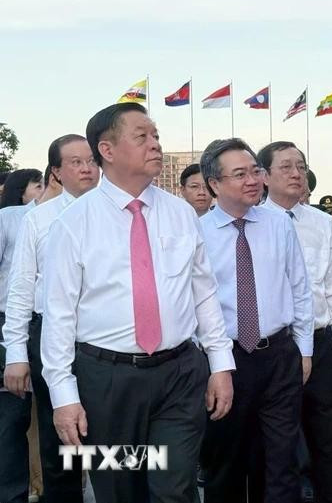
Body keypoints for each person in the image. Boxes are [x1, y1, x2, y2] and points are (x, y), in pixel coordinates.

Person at [41, 102, 235, 503]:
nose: (155, 145)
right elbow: (58, 315)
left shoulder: (181, 214)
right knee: (120, 490)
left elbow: (204, 293)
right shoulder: (73, 225)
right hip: (108, 383)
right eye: (142, 136)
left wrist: (220, 365)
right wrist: (64, 397)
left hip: (179, 376)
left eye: (157, 136)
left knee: (174, 487)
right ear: (107, 150)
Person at [198, 138, 313, 503]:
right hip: (225, 361)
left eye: (255, 171)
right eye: (239, 174)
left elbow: (300, 287)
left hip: (278, 355)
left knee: (281, 461)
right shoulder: (197, 234)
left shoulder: (278, 224)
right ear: (214, 184)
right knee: (225, 462)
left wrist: (304, 350)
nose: (252, 180)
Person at [3, 134, 99, 503]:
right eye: (75, 162)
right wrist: (16, 353)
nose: (87, 168)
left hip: (102, 340)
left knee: (111, 444)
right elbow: (22, 287)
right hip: (50, 337)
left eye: (90, 160)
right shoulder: (39, 220)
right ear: (56, 172)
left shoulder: (117, 214)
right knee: (60, 439)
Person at [259, 141, 332, 503]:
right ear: (264, 176)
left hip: (318, 340)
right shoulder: (251, 223)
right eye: (286, 167)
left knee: (326, 432)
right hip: (274, 344)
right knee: (277, 436)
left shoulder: (323, 224)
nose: (296, 173)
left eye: (301, 166)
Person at [0, 173, 42, 503]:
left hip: (63, 328)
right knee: (12, 420)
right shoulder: (11, 219)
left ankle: (56, 488)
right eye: (37, 184)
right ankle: (14, 494)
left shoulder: (87, 215)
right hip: (13, 327)